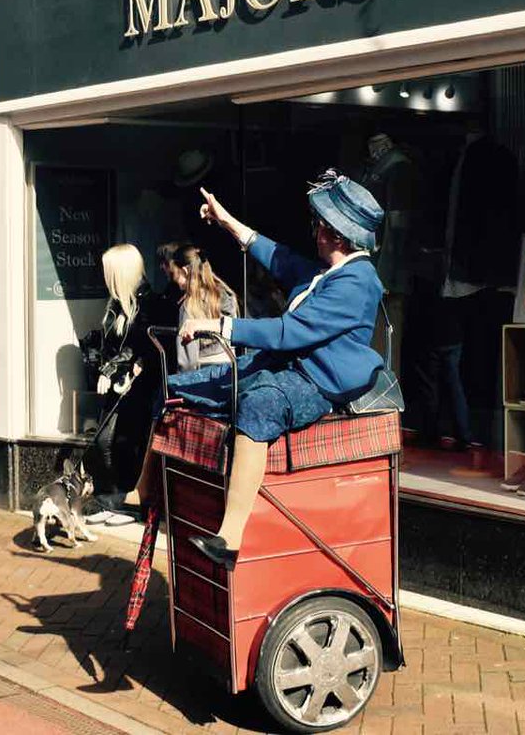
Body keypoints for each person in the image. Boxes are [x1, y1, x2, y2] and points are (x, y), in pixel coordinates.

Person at [143, 171, 385, 570]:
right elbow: (277, 256)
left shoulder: (357, 282)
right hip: (286, 365)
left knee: (257, 407)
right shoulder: (327, 270)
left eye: (319, 224)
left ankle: (230, 538)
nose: (314, 231)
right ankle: (147, 489)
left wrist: (219, 326)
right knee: (178, 386)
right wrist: (226, 221)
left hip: (317, 381)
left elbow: (290, 332)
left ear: (335, 235)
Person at [83, 243, 158, 525]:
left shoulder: (147, 304)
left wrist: (117, 370)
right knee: (106, 442)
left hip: (136, 386)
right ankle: (111, 499)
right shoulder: (117, 303)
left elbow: (141, 346)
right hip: (119, 385)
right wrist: (106, 369)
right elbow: (112, 346)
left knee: (126, 443)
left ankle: (126, 503)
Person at [169, 243, 238, 372]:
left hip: (203, 377)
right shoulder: (226, 294)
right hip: (230, 371)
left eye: (174, 273)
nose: (173, 279)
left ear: (184, 271)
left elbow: (187, 362)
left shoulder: (190, 306)